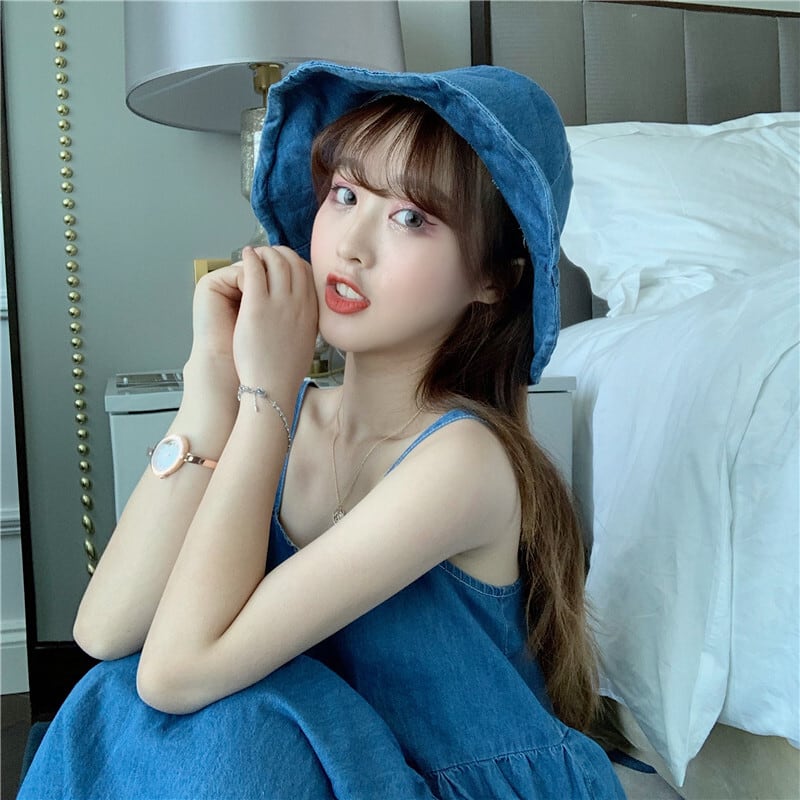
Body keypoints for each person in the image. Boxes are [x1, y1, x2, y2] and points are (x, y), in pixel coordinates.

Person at [19, 62, 625, 799]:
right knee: (114, 696)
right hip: (327, 768)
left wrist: (264, 398)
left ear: (493, 279)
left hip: (447, 783)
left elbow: (176, 671)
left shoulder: (464, 458)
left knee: (231, 729)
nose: (352, 245)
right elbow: (106, 631)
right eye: (345, 194)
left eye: (412, 217)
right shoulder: (288, 414)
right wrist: (211, 387)